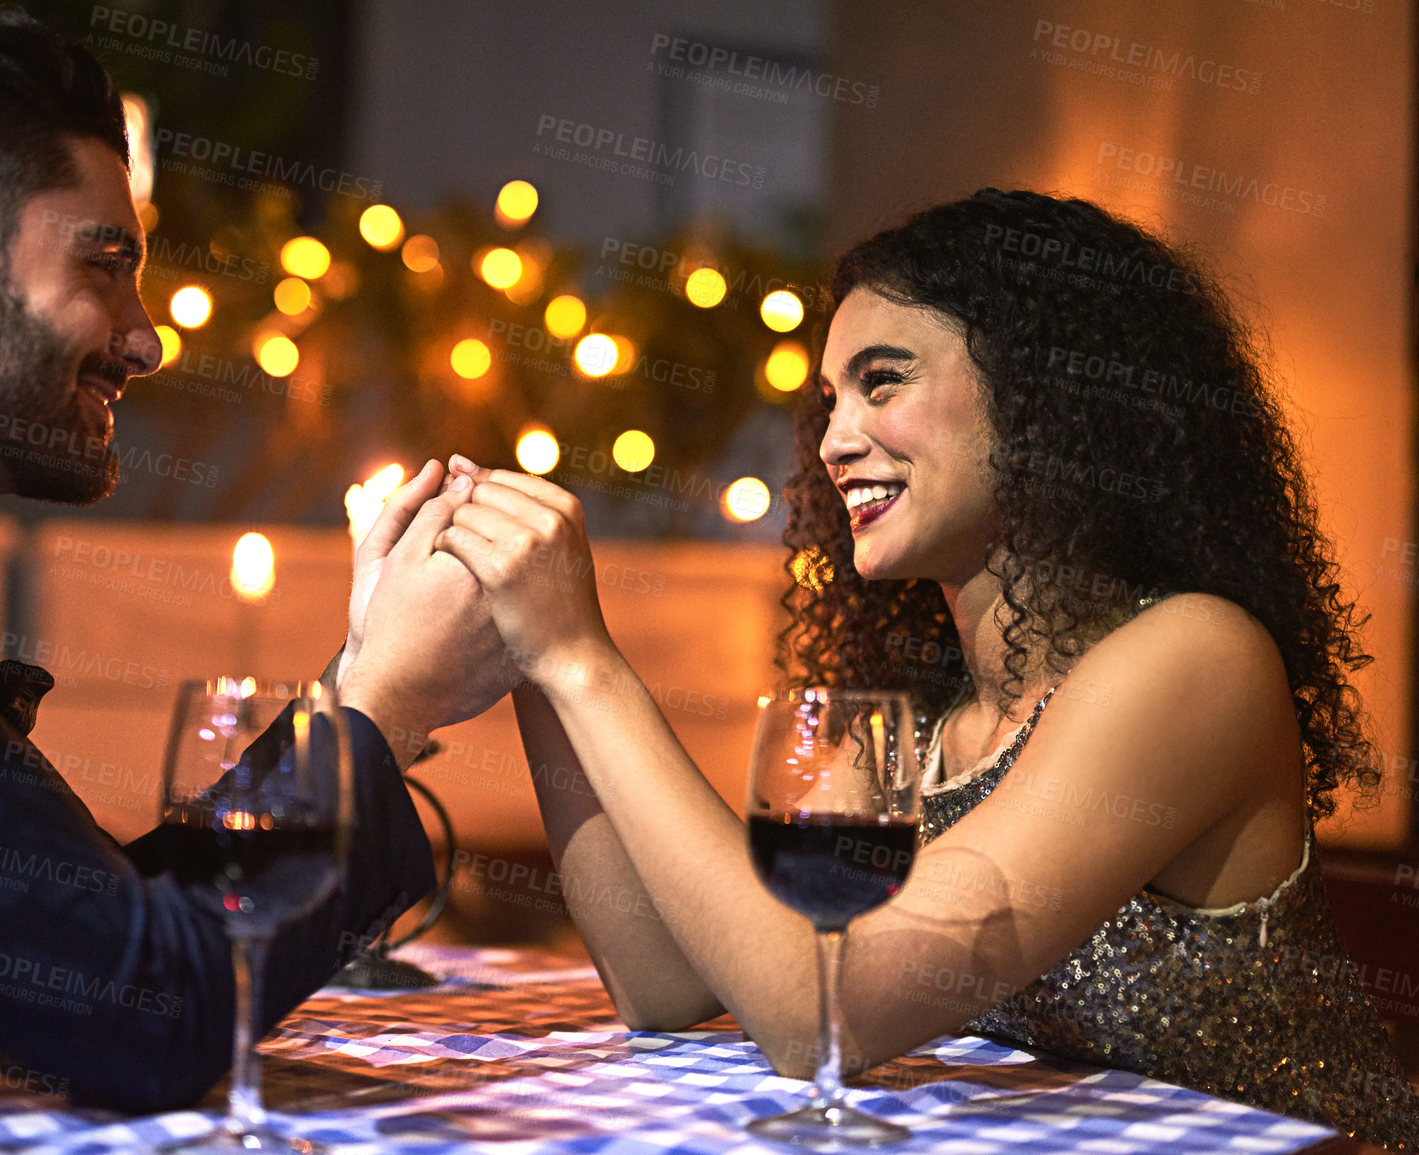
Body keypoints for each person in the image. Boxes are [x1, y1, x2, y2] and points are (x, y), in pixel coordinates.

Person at [0, 5, 515, 1153]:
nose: (146, 338)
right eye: (107, 262)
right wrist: (394, 705)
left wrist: (360, 680)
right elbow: (144, 1009)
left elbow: (91, 933)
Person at [431, 189, 1419, 1148]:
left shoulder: (1194, 658)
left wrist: (582, 656)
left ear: (1043, 396)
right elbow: (673, 985)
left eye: (883, 380)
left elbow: (820, 1010)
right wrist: (539, 658)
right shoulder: (920, 708)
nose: (833, 441)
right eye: (828, 401)